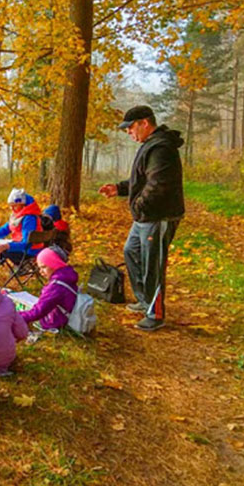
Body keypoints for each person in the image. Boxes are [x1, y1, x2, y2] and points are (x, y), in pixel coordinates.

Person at [98, 105, 184, 331]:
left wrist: (138, 206)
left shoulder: (162, 148)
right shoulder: (151, 145)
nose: (129, 133)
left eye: (130, 127)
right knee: (131, 251)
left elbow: (157, 186)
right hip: (146, 217)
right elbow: (142, 181)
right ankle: (145, 300)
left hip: (158, 216)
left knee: (153, 265)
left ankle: (155, 315)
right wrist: (119, 188)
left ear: (144, 123)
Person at [0, 189, 44, 279]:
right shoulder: (19, 214)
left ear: (22, 204)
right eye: (10, 206)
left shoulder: (29, 218)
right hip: (23, 248)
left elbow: (26, 243)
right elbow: (8, 227)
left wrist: (8, 246)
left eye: (14, 206)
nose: (12, 209)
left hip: (28, 252)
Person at [16, 248, 78, 331]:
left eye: (44, 267)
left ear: (54, 264)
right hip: (66, 315)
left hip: (55, 322)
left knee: (17, 305)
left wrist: (16, 316)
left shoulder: (55, 287)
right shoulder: (66, 275)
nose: (41, 272)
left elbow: (38, 312)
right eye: (39, 268)